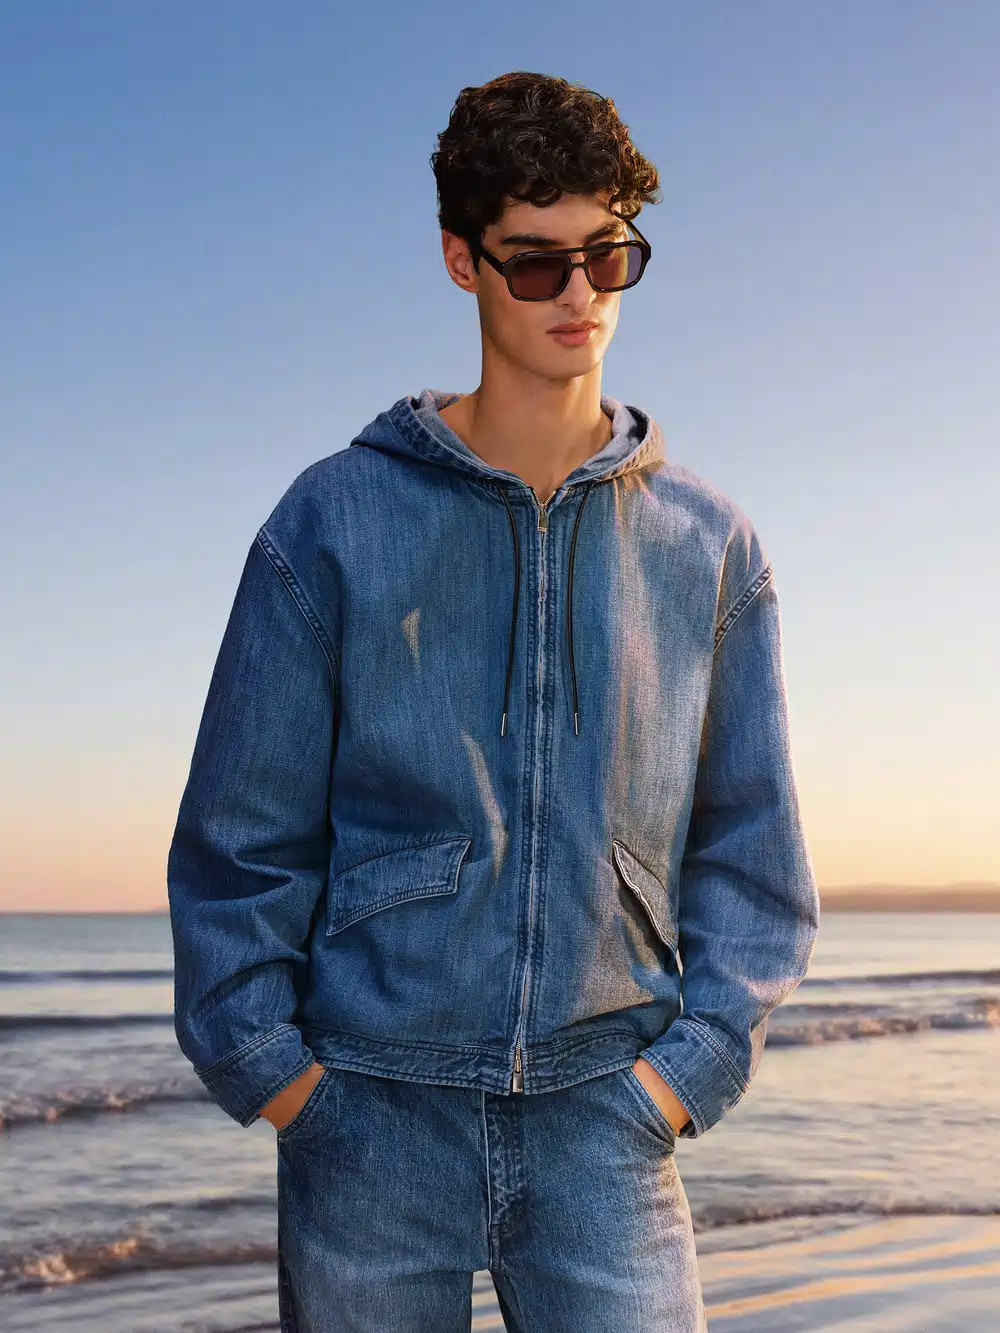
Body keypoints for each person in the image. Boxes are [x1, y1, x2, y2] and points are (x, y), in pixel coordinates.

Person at [167, 69, 819, 1333]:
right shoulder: (334, 519)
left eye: (607, 256)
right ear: (462, 259)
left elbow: (753, 851)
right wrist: (283, 1079)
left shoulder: (707, 545)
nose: (579, 295)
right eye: (536, 263)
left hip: (607, 1123)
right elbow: (240, 835)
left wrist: (683, 1077)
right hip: (369, 1117)